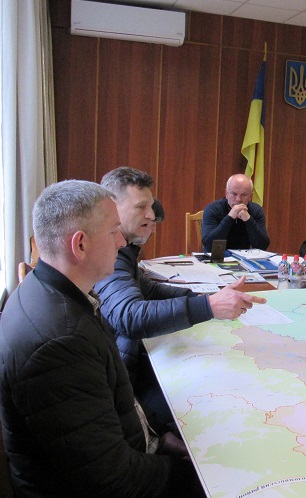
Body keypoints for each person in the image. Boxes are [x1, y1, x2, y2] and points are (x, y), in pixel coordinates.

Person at [0, 180, 215, 498]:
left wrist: (160, 439)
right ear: (80, 244)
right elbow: (112, 483)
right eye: (114, 231)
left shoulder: (59, 293)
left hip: (114, 469)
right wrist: (196, 476)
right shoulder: (61, 342)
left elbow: (114, 407)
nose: (122, 241)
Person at [95, 167, 266, 430]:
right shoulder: (111, 254)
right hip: (125, 381)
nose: (151, 215)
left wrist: (208, 297)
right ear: (112, 208)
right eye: (141, 207)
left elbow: (149, 290)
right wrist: (209, 306)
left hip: (127, 362)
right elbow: (129, 316)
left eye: (150, 207)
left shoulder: (124, 251)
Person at [202, 173, 270, 252]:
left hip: (244, 257)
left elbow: (262, 246)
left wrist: (248, 220)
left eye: (244, 195)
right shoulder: (212, 209)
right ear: (226, 194)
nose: (238, 199)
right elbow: (209, 246)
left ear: (250, 197)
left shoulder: (256, 211)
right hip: (217, 256)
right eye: (234, 194)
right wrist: (230, 217)